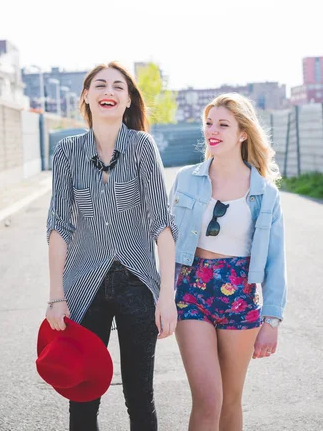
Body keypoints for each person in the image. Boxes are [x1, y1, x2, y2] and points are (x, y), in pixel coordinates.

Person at [45, 61, 178, 431]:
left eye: (118, 86)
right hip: (83, 286)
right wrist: (56, 295)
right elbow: (59, 225)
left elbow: (162, 225)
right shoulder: (67, 152)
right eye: (100, 85)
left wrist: (167, 295)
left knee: (139, 396)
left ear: (128, 99)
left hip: (138, 284)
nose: (109, 91)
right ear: (86, 96)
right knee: (82, 398)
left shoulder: (142, 147)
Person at [170, 93, 286, 431]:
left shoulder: (265, 193)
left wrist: (272, 321)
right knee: (208, 399)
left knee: (231, 401)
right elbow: (166, 240)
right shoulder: (187, 179)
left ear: (242, 133)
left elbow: (276, 261)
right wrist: (161, 294)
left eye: (223, 124)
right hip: (191, 291)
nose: (212, 131)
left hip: (240, 294)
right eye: (209, 123)